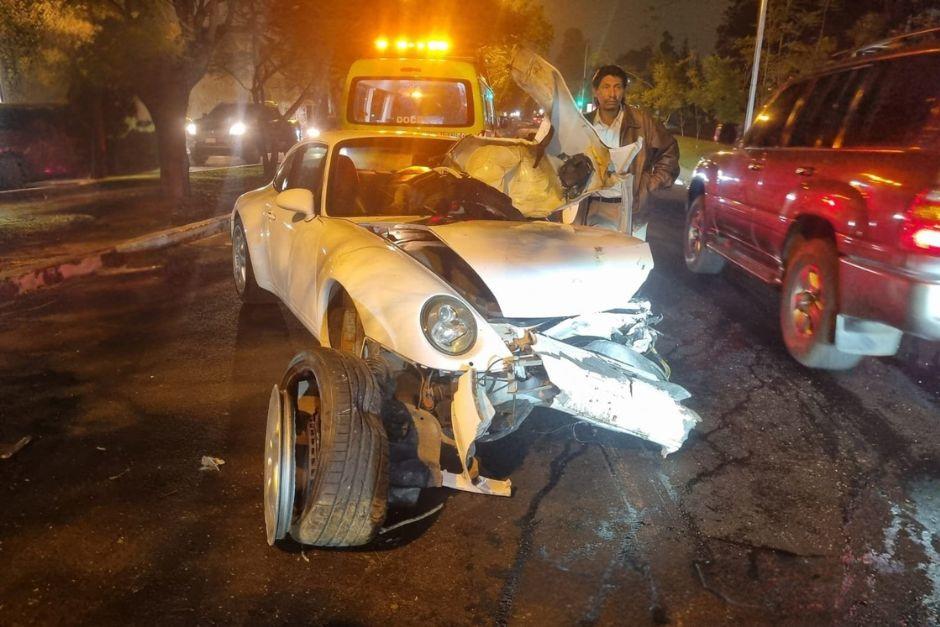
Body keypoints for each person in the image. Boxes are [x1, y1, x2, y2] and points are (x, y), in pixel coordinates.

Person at [577, 65, 679, 240]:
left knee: (627, 264)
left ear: (624, 91)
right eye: (606, 87)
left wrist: (650, 184)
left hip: (630, 210)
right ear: (596, 91)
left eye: (618, 87)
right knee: (590, 262)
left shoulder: (642, 122)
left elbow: (669, 151)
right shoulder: (583, 125)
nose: (612, 94)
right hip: (590, 207)